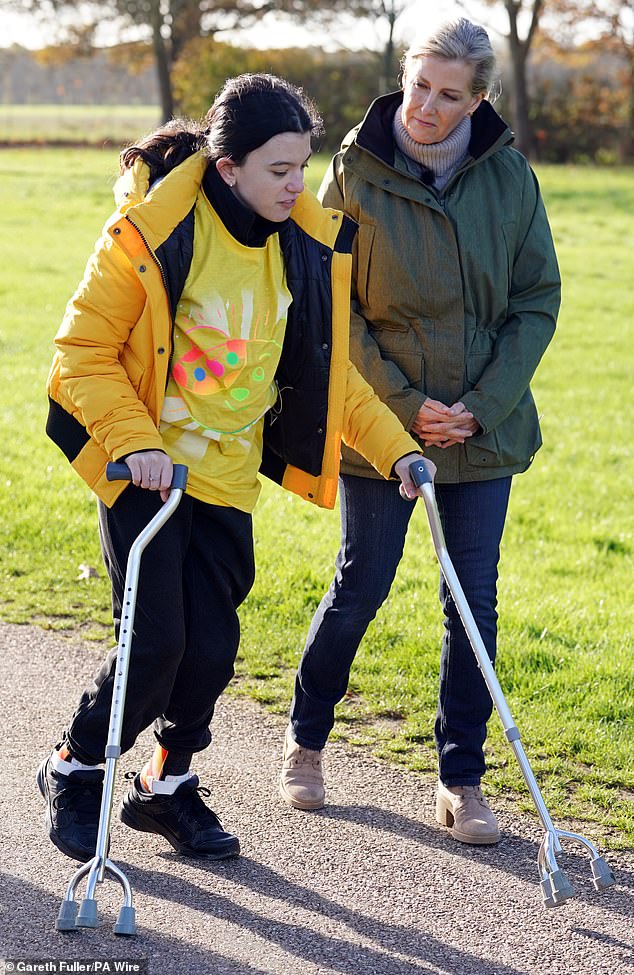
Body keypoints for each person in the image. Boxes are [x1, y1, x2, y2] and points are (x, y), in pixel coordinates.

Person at [39, 73, 427, 864]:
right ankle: (73, 767)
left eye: (301, 166)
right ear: (229, 168)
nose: (297, 185)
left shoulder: (300, 243)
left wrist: (398, 449)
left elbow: (330, 375)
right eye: (279, 170)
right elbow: (79, 354)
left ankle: (165, 787)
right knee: (153, 645)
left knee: (211, 649)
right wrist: (136, 441)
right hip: (144, 471)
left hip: (224, 476)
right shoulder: (152, 232)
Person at [280, 20, 561, 845]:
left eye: (448, 93)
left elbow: (536, 299)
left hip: (482, 431)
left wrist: (483, 403)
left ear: (480, 98)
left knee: (471, 603)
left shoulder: (510, 176)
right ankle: (305, 740)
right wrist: (405, 409)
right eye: (417, 85)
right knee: (361, 585)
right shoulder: (351, 173)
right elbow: (335, 307)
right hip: (379, 425)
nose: (426, 108)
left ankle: (460, 780)